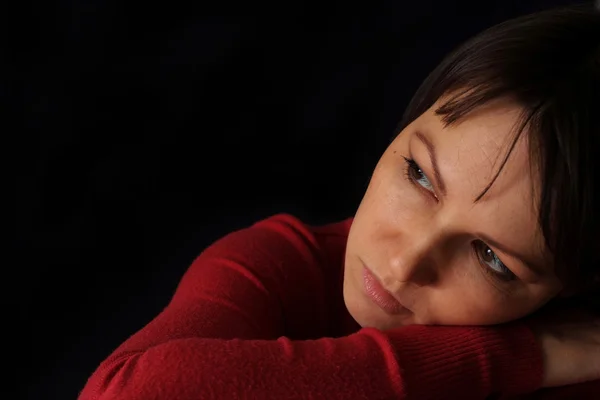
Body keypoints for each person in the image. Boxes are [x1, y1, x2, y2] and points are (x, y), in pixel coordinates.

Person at [79, 4, 600, 399]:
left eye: (492, 259)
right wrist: (507, 356)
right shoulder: (282, 267)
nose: (404, 262)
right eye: (419, 176)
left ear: (569, 289)